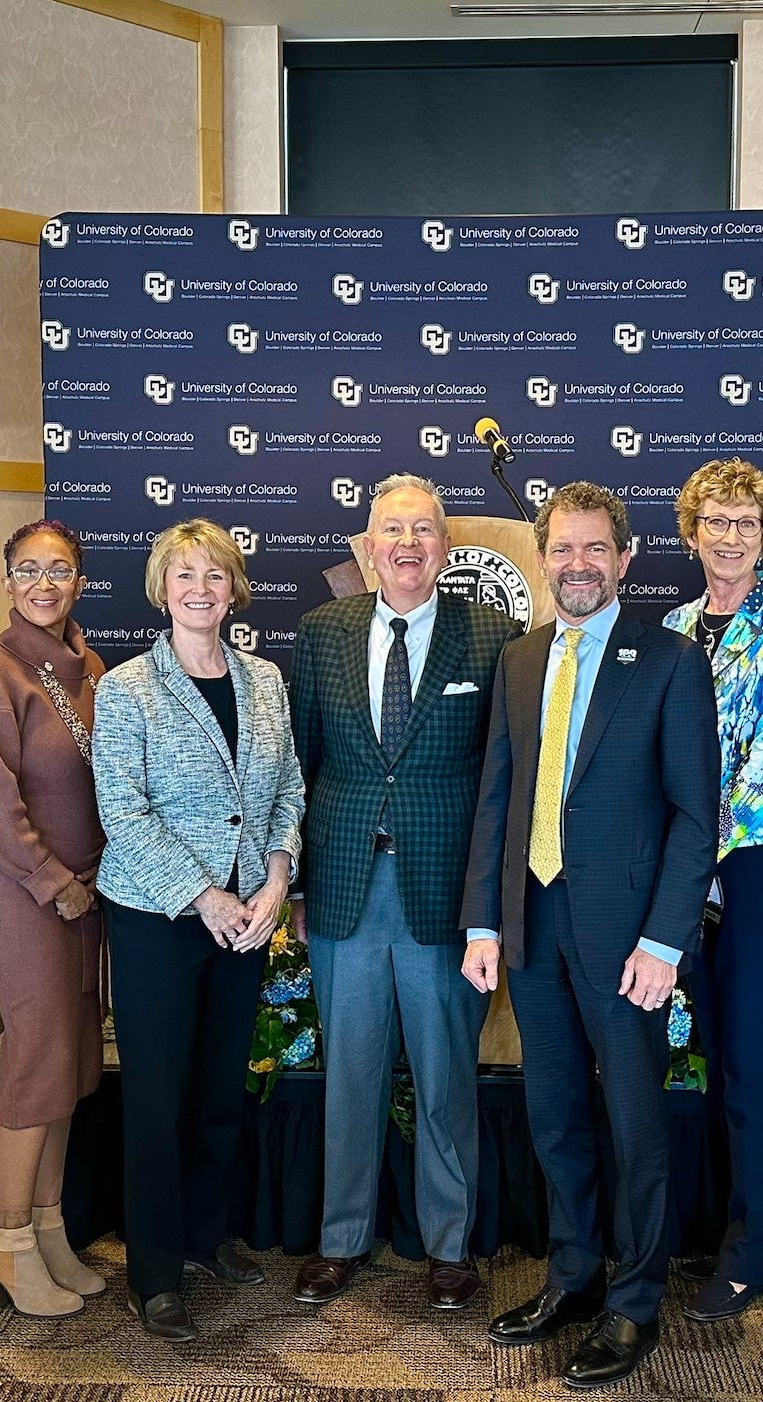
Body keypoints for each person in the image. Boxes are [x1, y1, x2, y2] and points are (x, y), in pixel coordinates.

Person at [460, 481, 720, 1390]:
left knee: (635, 1120)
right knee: (556, 1113)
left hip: (627, 940)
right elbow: (497, 797)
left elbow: (696, 818)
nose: (576, 566)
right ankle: (573, 1276)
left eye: (592, 550)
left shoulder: (670, 661)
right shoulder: (522, 658)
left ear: (623, 557)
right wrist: (485, 919)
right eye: (560, 551)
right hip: (532, 923)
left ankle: (635, 1300)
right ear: (545, 561)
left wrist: (663, 942)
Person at [286, 475, 522, 1312]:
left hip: (443, 897)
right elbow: (300, 765)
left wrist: (487, 905)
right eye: (394, 529)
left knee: (445, 1075)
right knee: (347, 1074)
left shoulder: (495, 637)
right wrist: (302, 883)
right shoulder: (322, 632)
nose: (409, 544)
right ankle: (340, 1240)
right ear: (369, 543)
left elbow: (503, 780)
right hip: (346, 889)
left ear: (445, 547)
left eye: (424, 529)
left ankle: (448, 1247)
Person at [92, 519, 306, 1343]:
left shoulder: (263, 680)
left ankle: (202, 1239)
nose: (199, 589)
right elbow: (124, 812)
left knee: (220, 1091)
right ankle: (153, 1272)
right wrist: (204, 895)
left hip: (248, 917)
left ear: (233, 588)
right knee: (157, 1097)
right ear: (161, 588)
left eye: (214, 574)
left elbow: (286, 786)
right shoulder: (126, 688)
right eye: (184, 574)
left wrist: (279, 874)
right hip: (160, 919)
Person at [660, 460, 763, 1324]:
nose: (729, 537)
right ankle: (754, 1223)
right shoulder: (671, 625)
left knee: (754, 1058)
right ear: (690, 535)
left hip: (755, 862)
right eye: (714, 522)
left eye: (745, 524)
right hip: (688, 866)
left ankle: (755, 1250)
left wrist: (704, 848)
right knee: (718, 1048)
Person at [0, 519, 109, 1319]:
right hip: (24, 890)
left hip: (87, 893)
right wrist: (53, 881)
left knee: (75, 1060)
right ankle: (8, 1240)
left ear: (79, 582)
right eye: (27, 570)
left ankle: (48, 1229)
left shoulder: (89, 670)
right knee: (37, 1054)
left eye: (60, 570)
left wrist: (92, 881)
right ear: (7, 581)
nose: (44, 584)